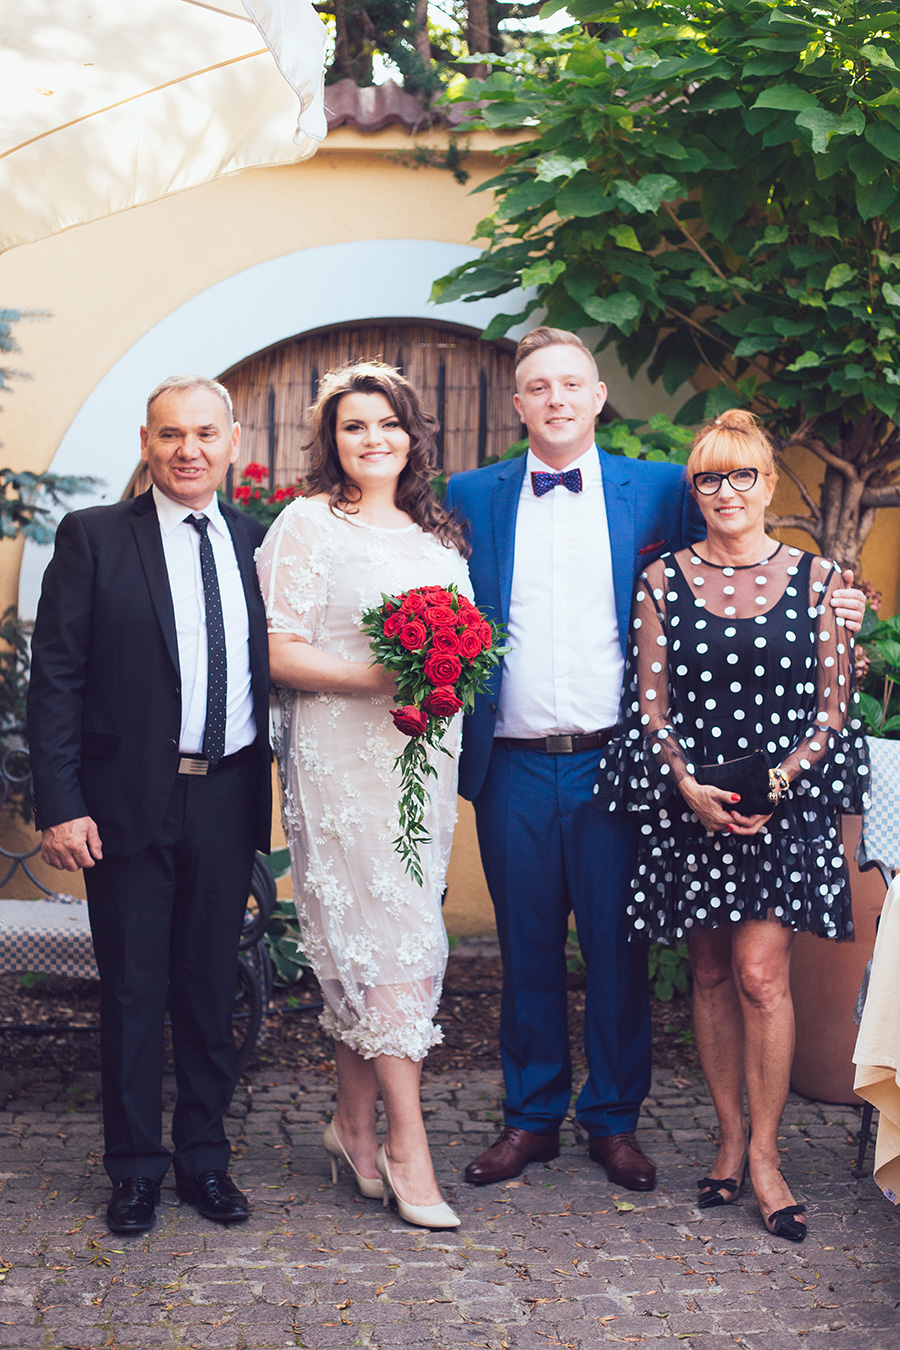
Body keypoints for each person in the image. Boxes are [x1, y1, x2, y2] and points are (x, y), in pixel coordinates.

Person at [442, 327, 867, 1192]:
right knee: (526, 949)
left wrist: (844, 613)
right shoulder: (470, 495)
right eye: (538, 387)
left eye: (572, 383)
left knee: (616, 953)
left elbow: (726, 573)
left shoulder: (665, 488)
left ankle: (613, 1121)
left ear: (598, 397)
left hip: (619, 761)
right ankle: (529, 1118)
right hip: (513, 760)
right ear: (518, 404)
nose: (556, 399)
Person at [596, 409, 868, 1240]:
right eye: (709, 478)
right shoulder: (662, 581)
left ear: (769, 483)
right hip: (695, 807)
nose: (726, 491)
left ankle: (768, 1157)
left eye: (742, 474)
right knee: (711, 971)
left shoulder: (821, 581)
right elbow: (648, 706)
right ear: (696, 491)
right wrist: (687, 786)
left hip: (783, 806)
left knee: (759, 975)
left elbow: (834, 710)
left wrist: (778, 784)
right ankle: (726, 1139)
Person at [27, 376, 272, 1235]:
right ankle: (134, 1170)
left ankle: (205, 1160)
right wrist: (60, 804)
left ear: (232, 441)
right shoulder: (94, 536)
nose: (188, 450)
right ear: (146, 441)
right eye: (171, 434)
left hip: (228, 793)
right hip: (126, 800)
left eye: (205, 433)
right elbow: (55, 678)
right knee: (134, 992)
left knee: (209, 990)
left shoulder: (260, 543)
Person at [256, 361, 471, 1230]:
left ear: (413, 436)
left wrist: (443, 680)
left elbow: (465, 649)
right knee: (388, 942)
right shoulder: (308, 523)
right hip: (341, 759)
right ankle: (407, 1145)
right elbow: (278, 651)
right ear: (332, 440)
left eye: (388, 423)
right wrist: (378, 678)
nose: (373, 438)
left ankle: (351, 1125)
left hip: (422, 760)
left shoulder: (438, 537)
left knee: (377, 943)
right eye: (354, 426)